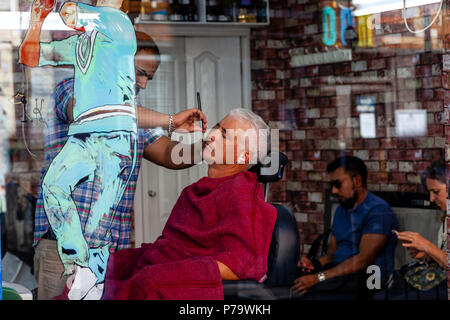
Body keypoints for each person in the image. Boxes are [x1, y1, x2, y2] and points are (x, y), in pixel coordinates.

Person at [32, 30, 206, 299]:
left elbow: (170, 154)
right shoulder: (72, 87)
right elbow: (98, 113)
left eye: (149, 76)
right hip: (62, 251)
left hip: (110, 255)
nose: (143, 84)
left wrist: (208, 147)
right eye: (140, 72)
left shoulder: (134, 114)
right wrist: (170, 121)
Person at [55, 108, 277, 300]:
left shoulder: (242, 193)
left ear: (243, 157)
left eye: (225, 135)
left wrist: (164, 273)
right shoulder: (194, 191)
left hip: (175, 280)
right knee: (96, 268)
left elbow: (242, 265)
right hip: (163, 265)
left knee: (148, 282)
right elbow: (168, 248)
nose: (212, 135)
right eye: (217, 126)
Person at [292, 156, 398, 300]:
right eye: (332, 185)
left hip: (367, 278)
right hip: (339, 274)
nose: (334, 191)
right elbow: (331, 255)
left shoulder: (378, 211)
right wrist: (314, 265)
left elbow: (363, 260)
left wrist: (318, 278)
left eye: (338, 184)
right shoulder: (342, 210)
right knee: (292, 281)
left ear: (357, 181)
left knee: (309, 294)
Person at [373, 159, 447, 300]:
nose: (431, 199)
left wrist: (428, 246)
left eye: (436, 192)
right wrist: (427, 255)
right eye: (429, 192)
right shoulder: (445, 218)